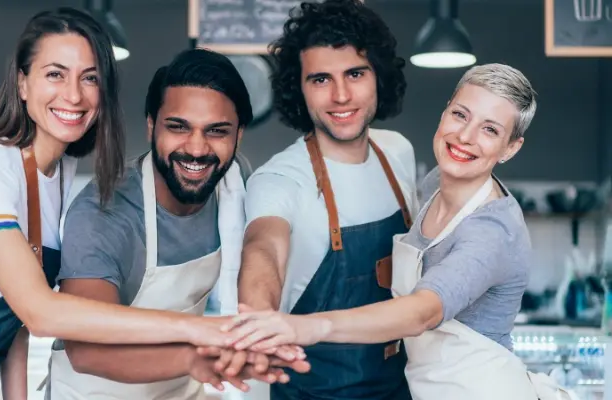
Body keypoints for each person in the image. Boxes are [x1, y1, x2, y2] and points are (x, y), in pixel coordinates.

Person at [0, 8, 249, 400]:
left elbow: (14, 320)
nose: (73, 94)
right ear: (22, 83)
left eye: (89, 79)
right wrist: (199, 332)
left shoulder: (57, 174)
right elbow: (40, 312)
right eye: (55, 74)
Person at [225, 64, 573, 400]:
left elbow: (423, 311)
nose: (465, 136)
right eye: (460, 115)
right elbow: (263, 245)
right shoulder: (435, 184)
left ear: (510, 148)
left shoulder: (491, 230)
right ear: (445, 111)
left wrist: (304, 327)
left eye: (490, 129)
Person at [45, 48, 309, 400]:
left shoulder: (232, 183)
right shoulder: (105, 212)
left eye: (217, 131)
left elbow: (262, 248)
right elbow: (87, 349)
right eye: (178, 127)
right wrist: (194, 358)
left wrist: (256, 337)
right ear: (152, 125)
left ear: (238, 135)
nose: (197, 149)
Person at [233, 0, 418, 398]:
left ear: (378, 77)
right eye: (320, 79)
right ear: (298, 90)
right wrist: (260, 321)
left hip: (400, 389)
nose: (341, 95)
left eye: (355, 73)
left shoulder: (398, 153)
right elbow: (263, 248)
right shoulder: (280, 179)